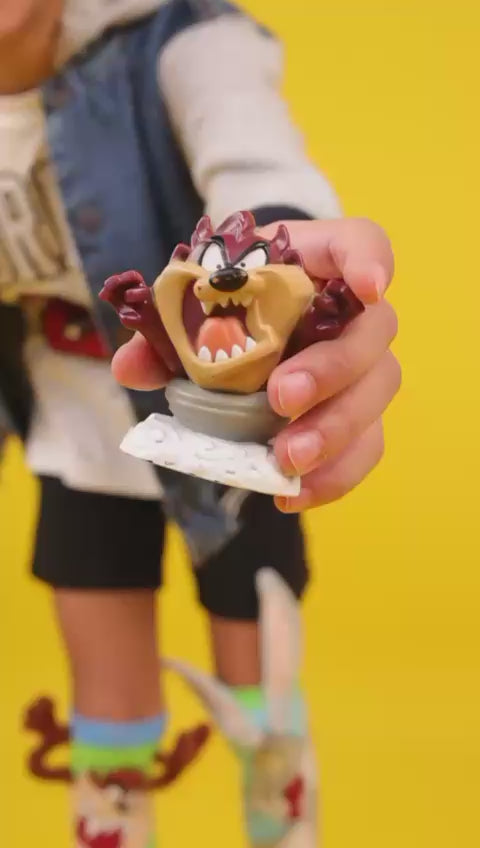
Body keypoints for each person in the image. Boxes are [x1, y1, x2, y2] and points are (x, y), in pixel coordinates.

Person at [0, 1, 400, 845]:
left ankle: (279, 823)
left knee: (260, 682)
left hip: (224, 415)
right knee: (106, 689)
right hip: (76, 424)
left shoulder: (178, 42)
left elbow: (251, 156)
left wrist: (287, 253)